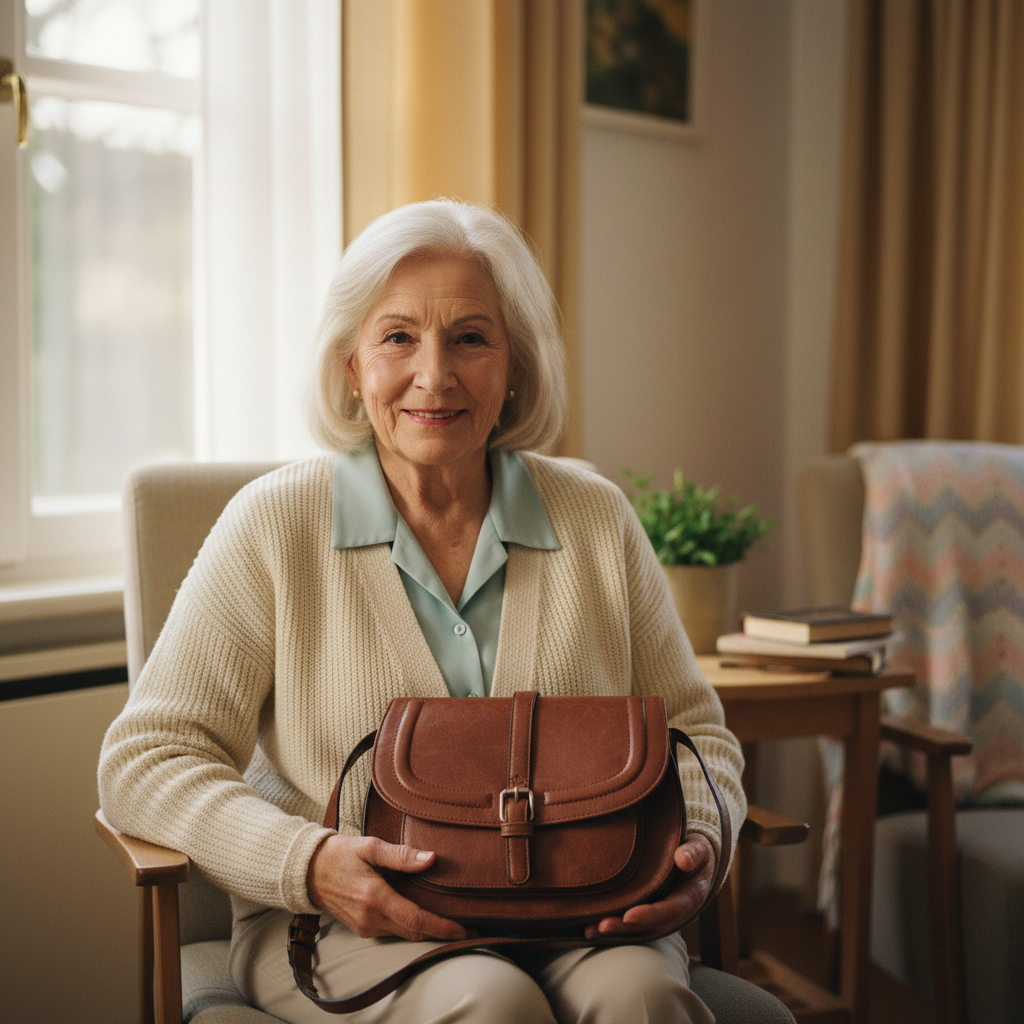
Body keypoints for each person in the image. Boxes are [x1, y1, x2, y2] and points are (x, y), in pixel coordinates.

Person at [99, 199, 746, 1024]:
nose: (434, 375)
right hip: (344, 920)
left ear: (515, 367)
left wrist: (700, 841)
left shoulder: (596, 517)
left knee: (643, 997)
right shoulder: (274, 525)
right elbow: (147, 757)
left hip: (584, 904)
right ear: (352, 366)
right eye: (398, 337)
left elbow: (698, 735)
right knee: (491, 1003)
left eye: (470, 338)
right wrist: (310, 862)